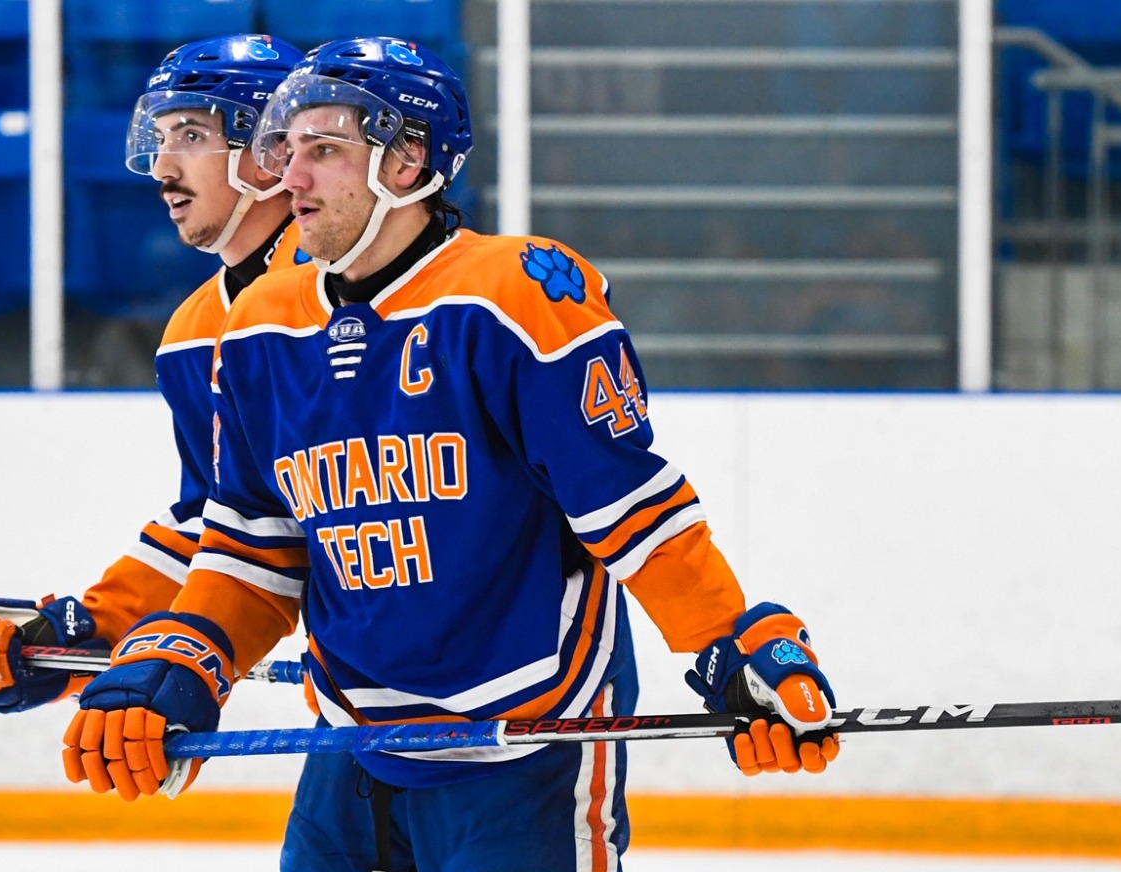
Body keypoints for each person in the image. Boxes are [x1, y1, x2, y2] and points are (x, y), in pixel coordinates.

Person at [61, 37, 841, 871]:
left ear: (407, 161)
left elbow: (629, 509)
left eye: (323, 150)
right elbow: (256, 545)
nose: (291, 178)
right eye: (286, 152)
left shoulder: (516, 298)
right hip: (351, 747)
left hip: (526, 743)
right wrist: (184, 653)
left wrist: (730, 639)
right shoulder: (259, 325)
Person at [0, 33, 308, 713]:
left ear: (269, 151)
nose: (162, 168)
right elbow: (222, 522)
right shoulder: (193, 331)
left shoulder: (359, 294)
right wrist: (82, 631)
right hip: (358, 705)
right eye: (160, 138)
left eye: (189, 135)